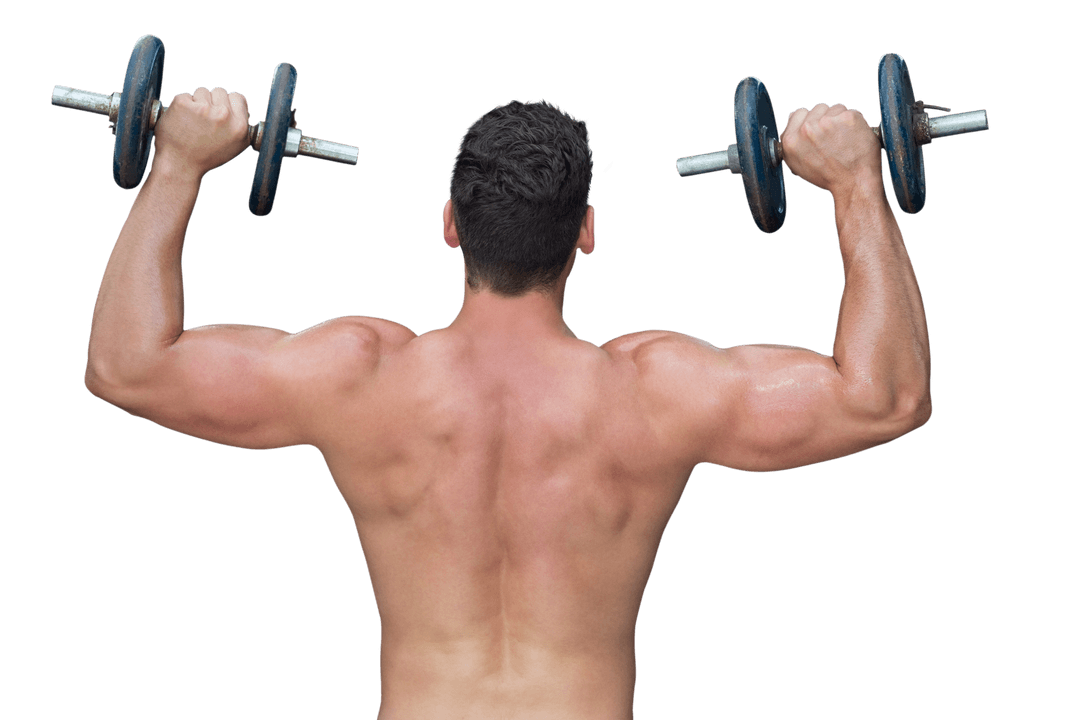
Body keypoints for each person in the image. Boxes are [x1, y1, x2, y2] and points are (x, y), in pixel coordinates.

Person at [84, 88, 931, 719]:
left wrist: (177, 164)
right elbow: (885, 397)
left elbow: (125, 366)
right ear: (586, 232)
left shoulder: (361, 378)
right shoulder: (655, 394)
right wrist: (856, 179)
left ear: (452, 223)